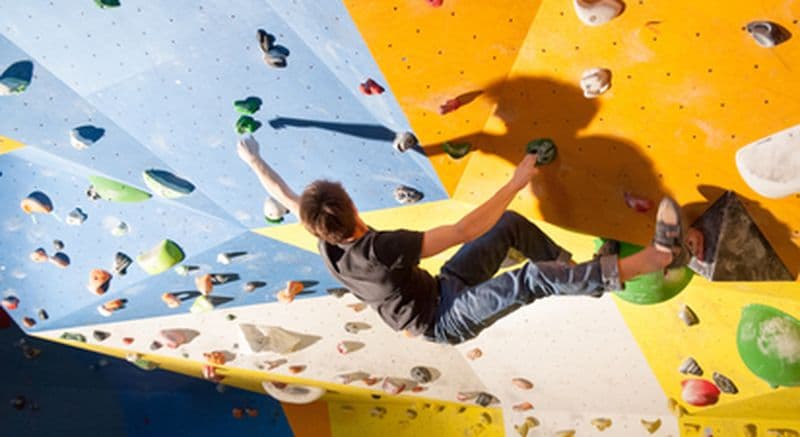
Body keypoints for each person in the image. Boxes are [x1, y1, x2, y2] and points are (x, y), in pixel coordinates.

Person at [237, 135, 697, 345]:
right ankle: (653, 259)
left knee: (511, 228)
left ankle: (582, 271)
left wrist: (252, 158)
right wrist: (517, 179)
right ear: (353, 209)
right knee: (529, 279)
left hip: (438, 290)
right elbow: (463, 230)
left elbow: (281, 193)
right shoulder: (379, 249)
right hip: (444, 321)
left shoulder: (326, 237)